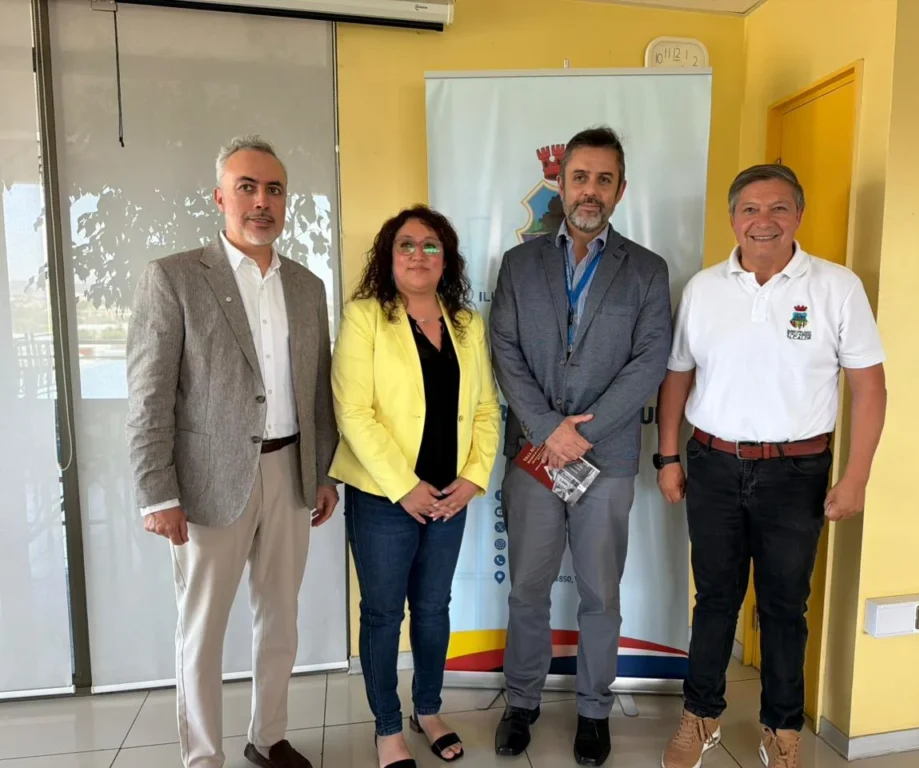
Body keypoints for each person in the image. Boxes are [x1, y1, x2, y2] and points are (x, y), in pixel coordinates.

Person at [656, 164, 887, 768]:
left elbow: (869, 388)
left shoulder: (838, 287)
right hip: (713, 464)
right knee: (715, 599)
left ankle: (782, 729)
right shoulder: (703, 289)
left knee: (785, 606)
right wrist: (668, 455)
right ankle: (699, 716)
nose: (764, 220)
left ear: (798, 216)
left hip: (797, 473)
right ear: (733, 218)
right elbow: (677, 377)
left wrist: (856, 477)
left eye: (779, 208)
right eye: (751, 209)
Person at [125, 136, 339, 768]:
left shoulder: (307, 286)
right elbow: (148, 397)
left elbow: (317, 389)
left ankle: (268, 738)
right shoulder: (174, 278)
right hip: (206, 482)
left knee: (280, 618)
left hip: (291, 472)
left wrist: (323, 472)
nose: (261, 201)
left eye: (274, 189)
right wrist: (157, 492)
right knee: (203, 627)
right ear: (220, 197)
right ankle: (203, 757)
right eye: (247, 187)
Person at [489, 126, 672, 767]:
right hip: (535, 456)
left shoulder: (647, 270)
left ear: (621, 190)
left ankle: (594, 710)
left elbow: (649, 362)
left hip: (608, 459)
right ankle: (521, 701)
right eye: (579, 177)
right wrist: (549, 428)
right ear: (560, 184)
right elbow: (504, 350)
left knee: (600, 594)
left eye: (603, 179)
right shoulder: (519, 265)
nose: (589, 190)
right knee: (528, 590)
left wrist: (581, 434)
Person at [330, 206, 501, 768]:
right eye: (406, 244)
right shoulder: (364, 317)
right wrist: (405, 488)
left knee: (432, 608)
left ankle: (427, 710)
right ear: (389, 255)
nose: (419, 254)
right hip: (385, 499)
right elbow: (353, 412)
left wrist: (473, 479)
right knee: (383, 615)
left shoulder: (467, 324)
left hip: (451, 498)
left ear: (446, 259)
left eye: (431, 245)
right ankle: (387, 727)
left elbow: (485, 408)